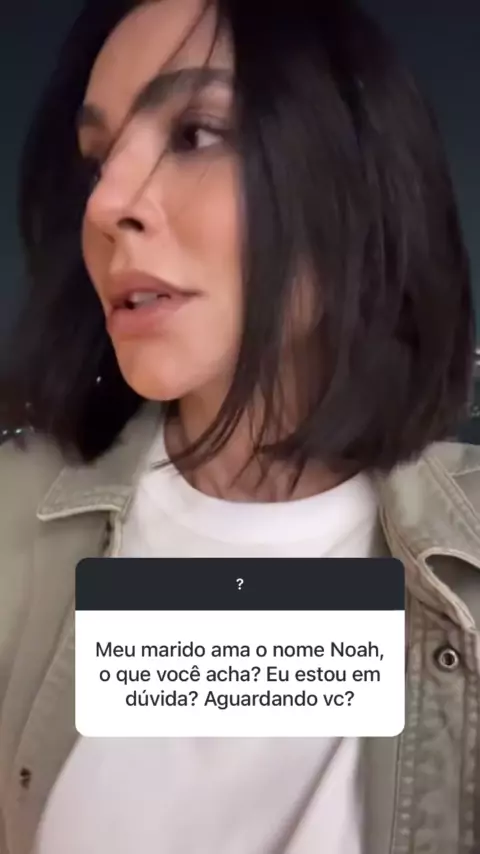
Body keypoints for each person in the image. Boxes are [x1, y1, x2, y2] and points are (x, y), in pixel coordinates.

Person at [0, 0, 478, 852]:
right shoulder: (13, 521)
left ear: (356, 176)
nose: (105, 204)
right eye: (98, 161)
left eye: (194, 133)